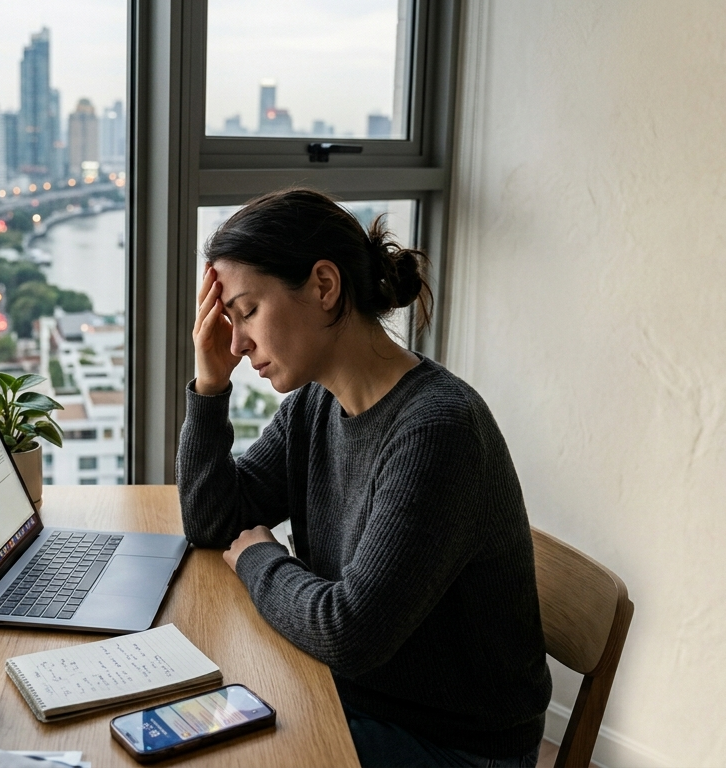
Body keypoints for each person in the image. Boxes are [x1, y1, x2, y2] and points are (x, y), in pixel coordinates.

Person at [177, 188, 550, 767]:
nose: (237, 343)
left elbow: (348, 634)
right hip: (348, 695)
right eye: (228, 321)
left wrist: (259, 558)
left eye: (247, 311)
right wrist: (209, 388)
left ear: (324, 287)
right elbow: (213, 521)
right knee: (188, 727)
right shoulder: (316, 405)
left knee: (215, 754)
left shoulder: (437, 431)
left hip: (450, 748)